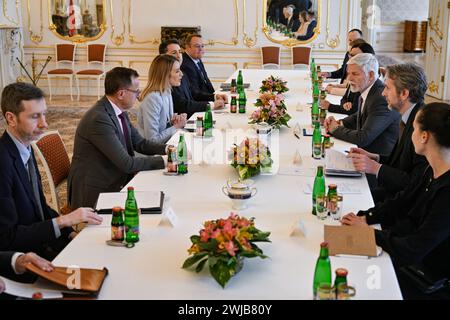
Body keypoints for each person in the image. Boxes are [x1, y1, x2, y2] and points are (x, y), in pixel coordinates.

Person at [341, 103, 450, 300]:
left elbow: (414, 249)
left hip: (426, 278)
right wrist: (366, 217)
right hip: (406, 252)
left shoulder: (446, 192)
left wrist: (369, 234)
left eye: (415, 129)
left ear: (424, 136)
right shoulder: (430, 169)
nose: (411, 134)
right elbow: (402, 201)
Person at [0, 83, 103, 260]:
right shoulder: (3, 163)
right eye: (35, 117)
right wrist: (63, 220)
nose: (44, 124)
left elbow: (39, 207)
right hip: (27, 260)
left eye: (44, 114)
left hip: (43, 242)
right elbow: (7, 238)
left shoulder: (24, 147)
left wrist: (69, 233)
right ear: (11, 118)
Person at [68, 67, 169, 209]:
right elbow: (126, 164)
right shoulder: (99, 119)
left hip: (115, 178)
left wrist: (169, 149)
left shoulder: (118, 110)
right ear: (121, 93)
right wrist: (165, 160)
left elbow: (140, 143)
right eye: (136, 92)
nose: (139, 96)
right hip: (96, 192)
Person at [348, 63, 429, 203]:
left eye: (387, 87)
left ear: (404, 93)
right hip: (393, 194)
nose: (383, 93)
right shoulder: (409, 116)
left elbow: (414, 183)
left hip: (404, 203)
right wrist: (374, 157)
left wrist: (375, 167)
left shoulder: (423, 126)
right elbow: (401, 160)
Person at [324, 53, 400, 156]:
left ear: (371, 75)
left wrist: (335, 129)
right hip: (364, 153)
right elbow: (359, 116)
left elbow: (363, 138)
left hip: (377, 159)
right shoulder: (369, 89)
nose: (349, 78)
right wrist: (340, 122)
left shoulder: (381, 98)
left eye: (355, 74)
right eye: (348, 73)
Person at [159, 39, 225, 119]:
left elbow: (194, 94)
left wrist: (214, 97)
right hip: (181, 122)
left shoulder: (182, 73)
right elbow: (182, 105)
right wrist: (211, 105)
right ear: (163, 56)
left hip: (190, 117)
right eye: (174, 53)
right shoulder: (166, 78)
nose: (178, 55)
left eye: (180, 52)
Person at [137, 54, 187, 144]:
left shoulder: (167, 91)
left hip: (165, 145)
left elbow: (164, 125)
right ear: (165, 75)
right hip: (151, 153)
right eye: (177, 71)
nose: (181, 74)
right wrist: (176, 126)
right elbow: (152, 140)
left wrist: (173, 122)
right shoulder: (153, 98)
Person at [320, 41, 375, 115]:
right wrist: (345, 103)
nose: (349, 78)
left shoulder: (365, 79)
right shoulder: (354, 74)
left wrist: (330, 106)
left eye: (355, 56)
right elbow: (345, 98)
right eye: (350, 55)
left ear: (366, 58)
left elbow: (355, 110)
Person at [181, 34, 228, 103]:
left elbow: (206, 81)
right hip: (198, 103)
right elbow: (195, 93)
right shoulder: (186, 64)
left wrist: (216, 95)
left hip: (206, 98)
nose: (201, 49)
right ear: (187, 47)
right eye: (197, 46)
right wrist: (214, 97)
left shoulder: (196, 58)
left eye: (202, 46)